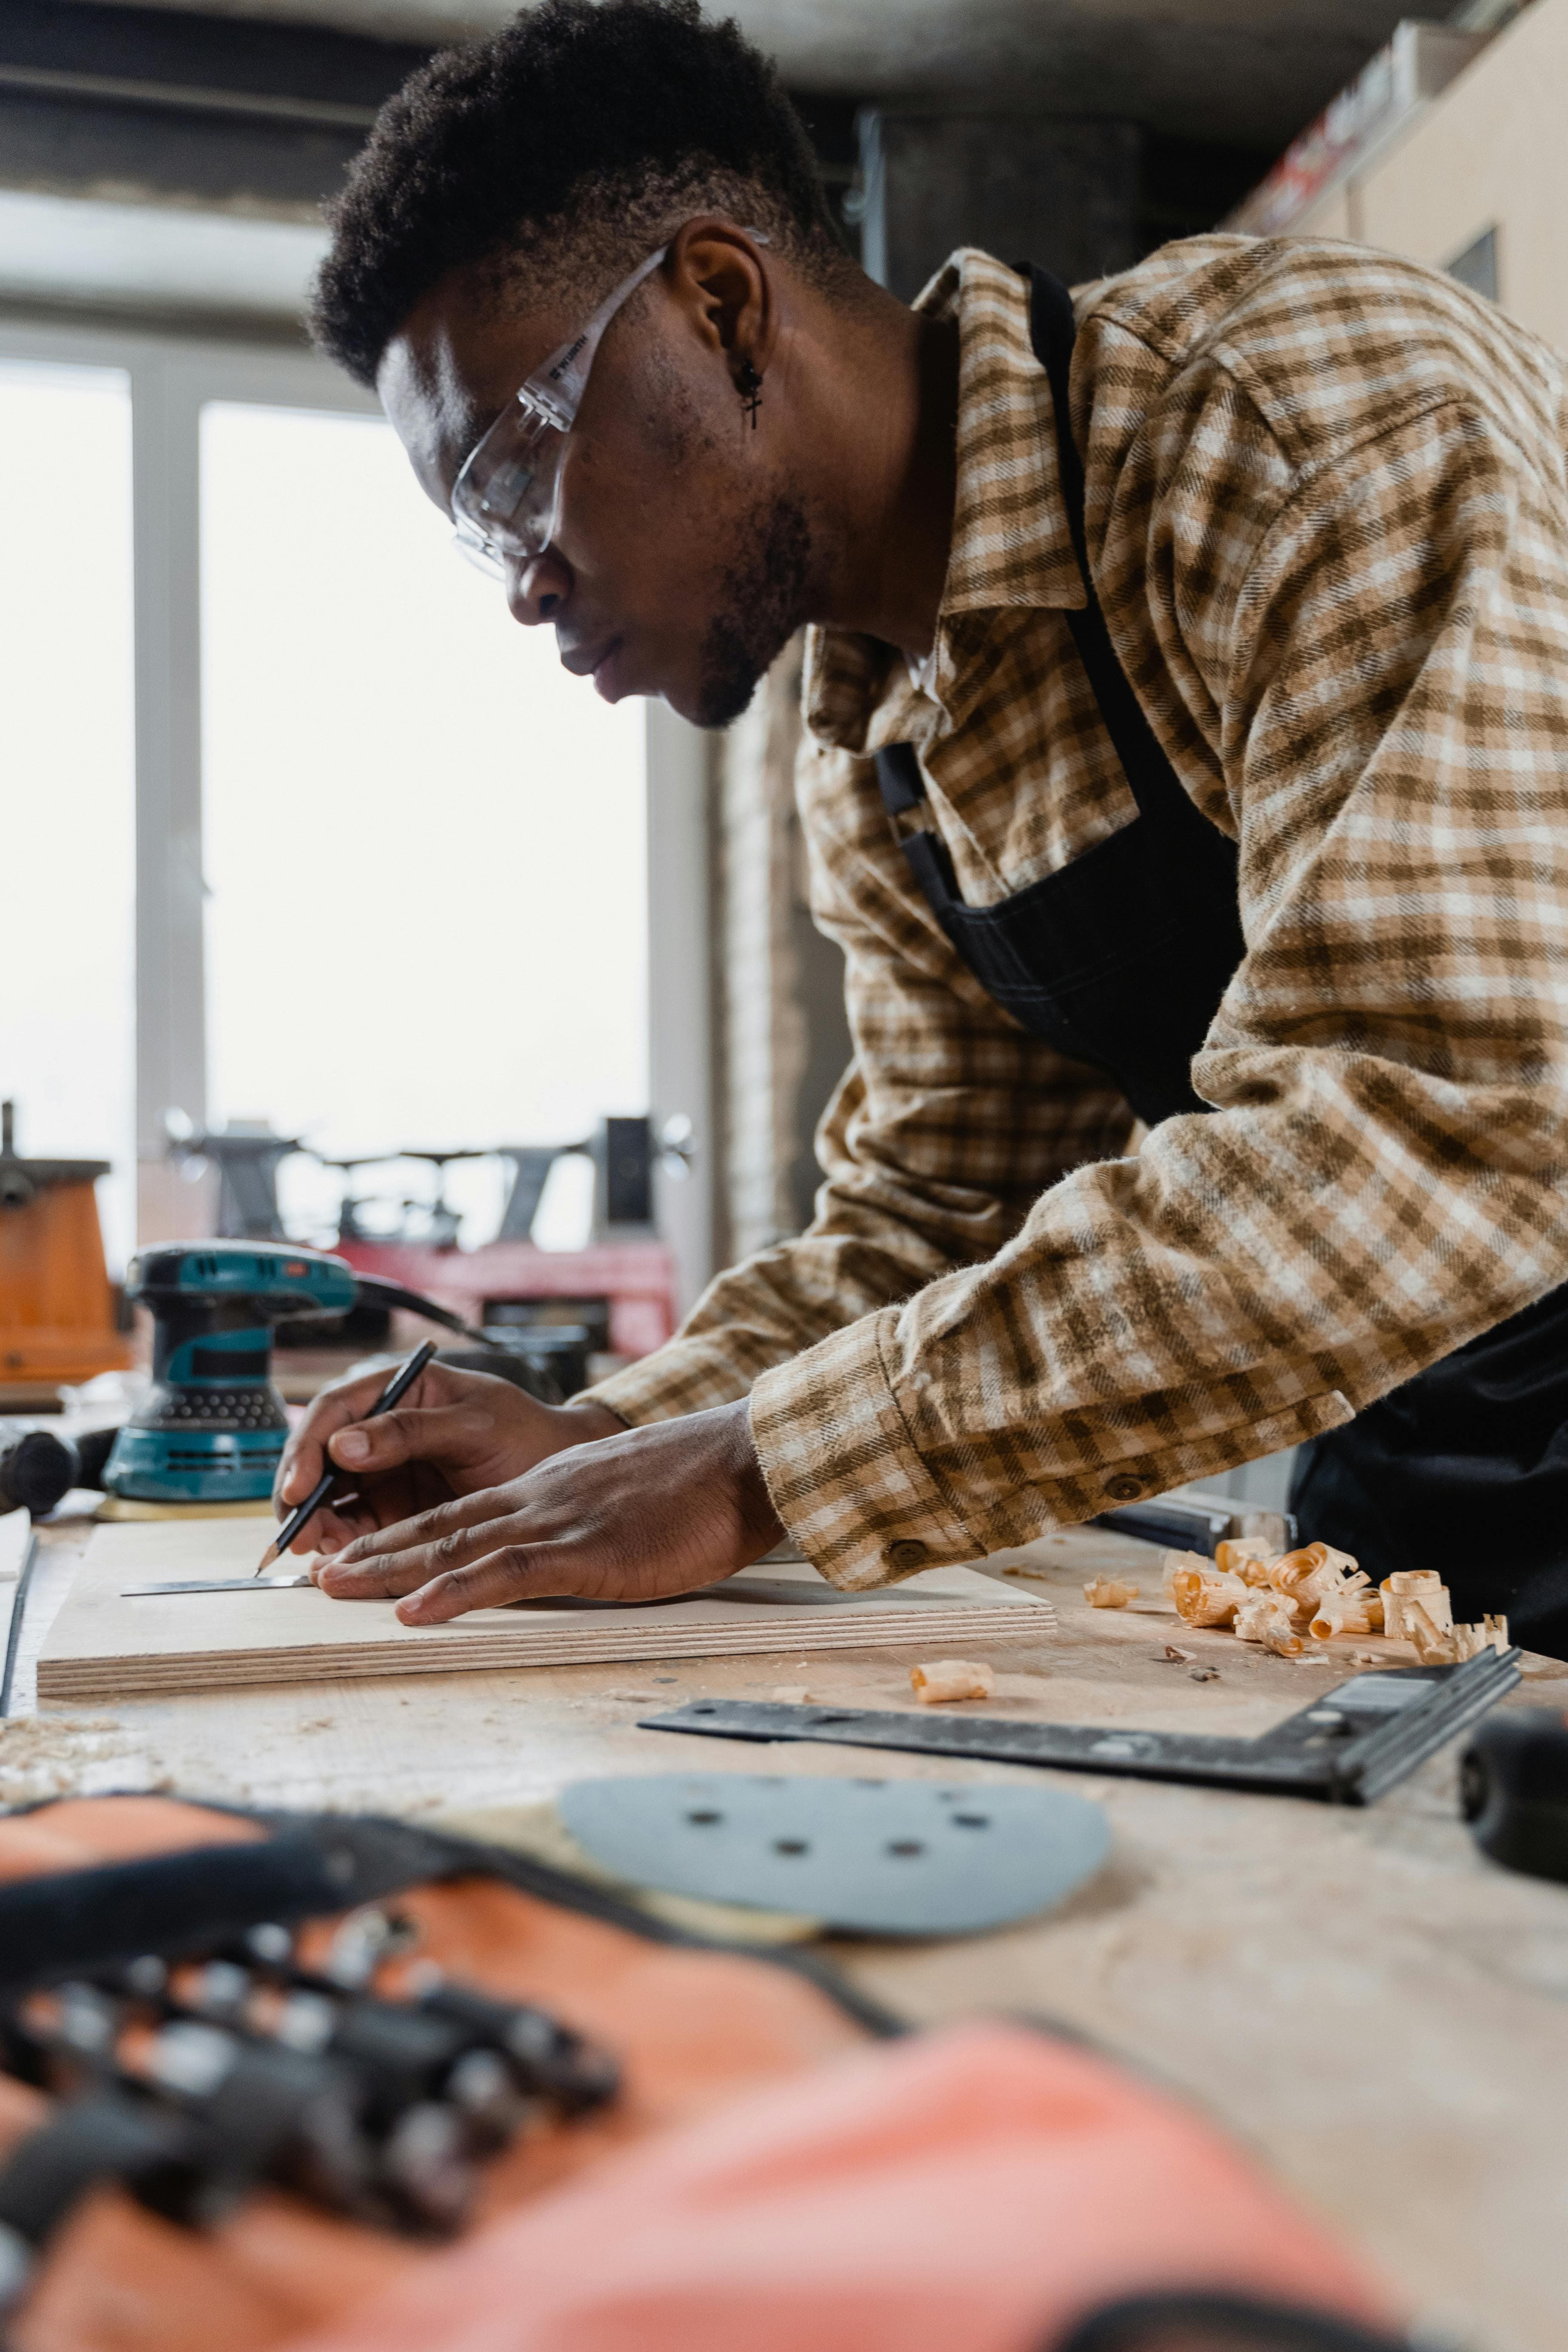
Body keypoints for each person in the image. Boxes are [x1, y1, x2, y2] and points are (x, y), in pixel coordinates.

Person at [279, 0, 1568, 1657]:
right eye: (478, 534)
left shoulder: (1287, 425)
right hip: (1415, 1440)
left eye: (512, 475)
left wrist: (750, 1472)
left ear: (721, 305)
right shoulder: (870, 731)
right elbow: (939, 1218)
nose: (522, 583)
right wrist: (602, 1438)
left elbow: (1439, 1126)